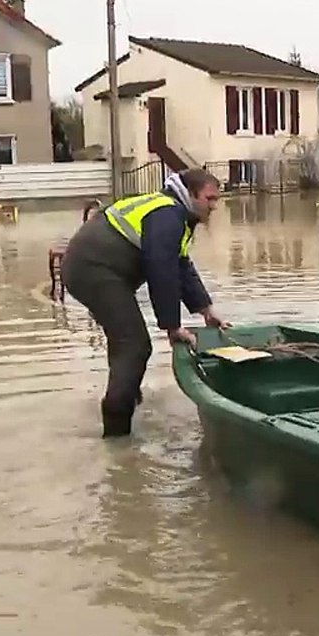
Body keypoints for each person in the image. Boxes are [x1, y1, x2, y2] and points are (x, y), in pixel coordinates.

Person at [61, 169, 230, 438]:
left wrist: (205, 310)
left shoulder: (174, 214)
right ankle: (117, 434)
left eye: (216, 200)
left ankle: (126, 395)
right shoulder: (168, 215)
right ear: (190, 194)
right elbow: (161, 269)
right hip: (92, 269)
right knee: (135, 344)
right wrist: (173, 327)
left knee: (126, 339)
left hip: (98, 269)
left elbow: (180, 264)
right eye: (209, 199)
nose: (213, 206)